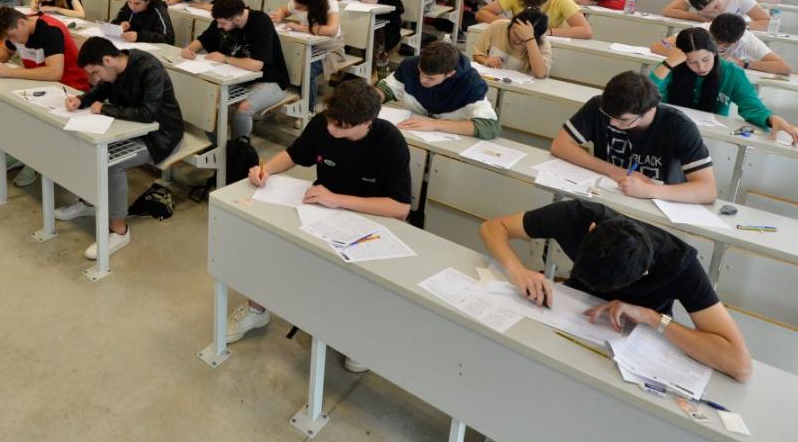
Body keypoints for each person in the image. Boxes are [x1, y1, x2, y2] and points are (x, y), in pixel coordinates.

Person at [227, 77, 412, 356]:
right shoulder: (325, 123)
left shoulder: (389, 141)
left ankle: (357, 335)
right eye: (330, 120)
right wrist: (265, 169)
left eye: (341, 126)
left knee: (354, 279)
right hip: (321, 208)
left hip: (371, 218)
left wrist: (338, 200)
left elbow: (400, 208)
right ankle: (256, 308)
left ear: (368, 122)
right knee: (269, 239)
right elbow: (295, 154)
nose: (331, 128)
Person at [479, 200, 752, 382]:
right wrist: (519, 271)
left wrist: (651, 317)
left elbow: (739, 364)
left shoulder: (679, 263)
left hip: (629, 350)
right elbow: (493, 227)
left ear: (644, 273)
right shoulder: (575, 216)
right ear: (592, 230)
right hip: (567, 318)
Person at [57, 38, 185, 260]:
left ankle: (119, 230)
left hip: (160, 136)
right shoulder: (114, 68)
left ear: (107, 60)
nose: (95, 79)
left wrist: (105, 109)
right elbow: (102, 88)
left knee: (112, 163)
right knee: (87, 147)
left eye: (96, 72)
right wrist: (82, 99)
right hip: (129, 129)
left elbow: (149, 114)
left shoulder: (149, 68)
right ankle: (89, 202)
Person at [550, 71, 715, 203]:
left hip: (658, 205)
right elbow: (560, 145)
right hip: (606, 197)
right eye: (609, 115)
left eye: (623, 120)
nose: (613, 123)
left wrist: (648, 191)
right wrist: (615, 171)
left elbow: (708, 190)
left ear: (648, 109)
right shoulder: (599, 106)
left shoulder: (680, 126)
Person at [651, 28, 798, 142]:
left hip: (711, 138)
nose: (701, 67)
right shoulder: (671, 66)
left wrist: (772, 119)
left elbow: (752, 108)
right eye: (692, 62)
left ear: (715, 52)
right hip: (668, 130)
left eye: (706, 59)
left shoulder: (732, 73)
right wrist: (668, 63)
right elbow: (643, 98)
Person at [181, 0, 289, 138]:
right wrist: (188, 50)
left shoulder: (260, 22)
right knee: (210, 105)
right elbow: (204, 39)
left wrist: (225, 58)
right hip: (237, 78)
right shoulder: (223, 17)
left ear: (237, 19)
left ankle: (240, 152)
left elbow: (256, 65)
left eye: (223, 23)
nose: (219, 26)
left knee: (242, 110)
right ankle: (220, 149)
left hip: (271, 80)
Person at [375, 40, 499, 137]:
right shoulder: (410, 65)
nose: (422, 80)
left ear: (450, 73)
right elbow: (388, 89)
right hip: (411, 132)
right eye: (420, 73)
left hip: (449, 139)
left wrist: (435, 124)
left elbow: (489, 126)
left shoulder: (471, 84)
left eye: (431, 78)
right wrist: (372, 98)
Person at [271, 0, 345, 110]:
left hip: (329, 48)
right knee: (280, 60)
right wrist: (279, 15)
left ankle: (307, 109)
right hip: (306, 44)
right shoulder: (299, 0)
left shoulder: (330, 3)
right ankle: (277, 99)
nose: (296, 8)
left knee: (307, 68)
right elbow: (284, 10)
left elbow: (331, 30)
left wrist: (300, 27)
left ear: (311, 5)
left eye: (300, 8)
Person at [0, 7, 89, 93]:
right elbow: (6, 50)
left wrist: (10, 72)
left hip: (70, 87)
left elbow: (54, 73)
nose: (12, 41)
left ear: (21, 23)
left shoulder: (51, 30)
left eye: (12, 36)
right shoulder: (18, 30)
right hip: (41, 82)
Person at [649, 12, 790, 76]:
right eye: (715, 41)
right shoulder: (701, 30)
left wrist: (743, 63)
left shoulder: (747, 39)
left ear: (736, 40)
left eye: (725, 45)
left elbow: (784, 68)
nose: (719, 47)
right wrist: (690, 57)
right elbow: (657, 46)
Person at [477, 0, 592, 39]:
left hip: (547, 42)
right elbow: (481, 13)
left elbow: (586, 31)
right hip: (517, 39)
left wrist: (548, 31)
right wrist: (509, 24)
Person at [472, 8, 552, 78]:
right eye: (516, 34)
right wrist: (486, 60)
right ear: (512, 25)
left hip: (520, 90)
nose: (518, 41)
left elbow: (540, 73)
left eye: (523, 40)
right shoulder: (499, 26)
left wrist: (529, 40)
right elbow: (477, 55)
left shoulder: (543, 42)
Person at [663, 0, 769, 30]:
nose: (716, 12)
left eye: (716, 6)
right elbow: (668, 10)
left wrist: (734, 25)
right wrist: (701, 18)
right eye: (709, 12)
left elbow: (767, 22)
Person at [110, 0, 175, 44]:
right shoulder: (129, 5)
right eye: (129, 1)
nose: (132, 7)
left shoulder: (158, 9)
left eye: (137, 3)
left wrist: (139, 36)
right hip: (127, 45)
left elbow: (168, 38)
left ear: (148, 0)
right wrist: (119, 25)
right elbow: (112, 23)